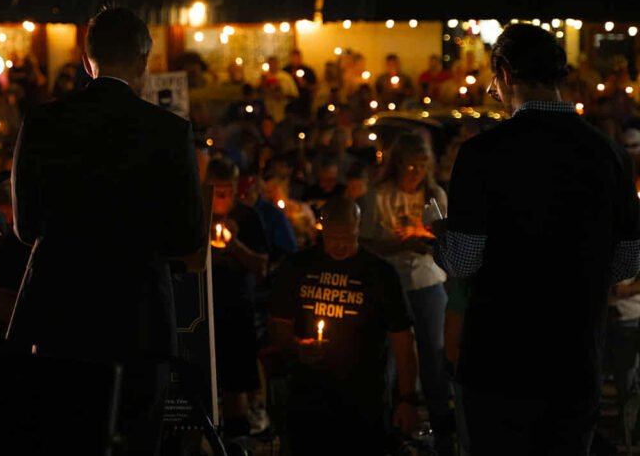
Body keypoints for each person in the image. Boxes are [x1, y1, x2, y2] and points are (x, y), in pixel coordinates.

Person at [435, 23, 640, 455]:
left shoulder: (482, 154)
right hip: (574, 361)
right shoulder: (611, 154)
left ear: (505, 74)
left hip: (499, 364)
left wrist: (440, 237)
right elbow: (626, 263)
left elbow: (465, 262)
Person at [9, 6, 206, 454]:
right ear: (144, 60)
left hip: (60, 318)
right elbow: (188, 236)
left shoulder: (42, 123)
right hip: (138, 320)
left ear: (85, 59)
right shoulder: (168, 131)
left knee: (65, 441)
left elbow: (25, 228)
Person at [269, 196, 420, 454]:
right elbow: (278, 324)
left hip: (365, 399)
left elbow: (403, 339)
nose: (339, 245)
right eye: (332, 237)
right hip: (309, 398)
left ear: (358, 228)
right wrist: (296, 346)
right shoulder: (297, 267)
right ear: (321, 229)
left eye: (347, 237)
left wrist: (407, 399)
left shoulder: (379, 273)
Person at [360, 131, 453, 452]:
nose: (413, 173)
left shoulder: (435, 195)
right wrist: (399, 242)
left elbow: (445, 243)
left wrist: (423, 239)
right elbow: (366, 243)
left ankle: (442, 427)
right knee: (390, 358)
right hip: (391, 282)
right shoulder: (378, 197)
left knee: (433, 354)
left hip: (427, 281)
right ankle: (392, 426)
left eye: (420, 166)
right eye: (407, 166)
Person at [208, 159, 270, 440]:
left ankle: (236, 440)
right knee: (202, 386)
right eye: (216, 192)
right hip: (204, 311)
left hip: (237, 310)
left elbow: (261, 266)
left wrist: (234, 245)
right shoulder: (198, 216)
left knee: (236, 387)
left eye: (227, 192)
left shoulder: (249, 218)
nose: (222, 199)